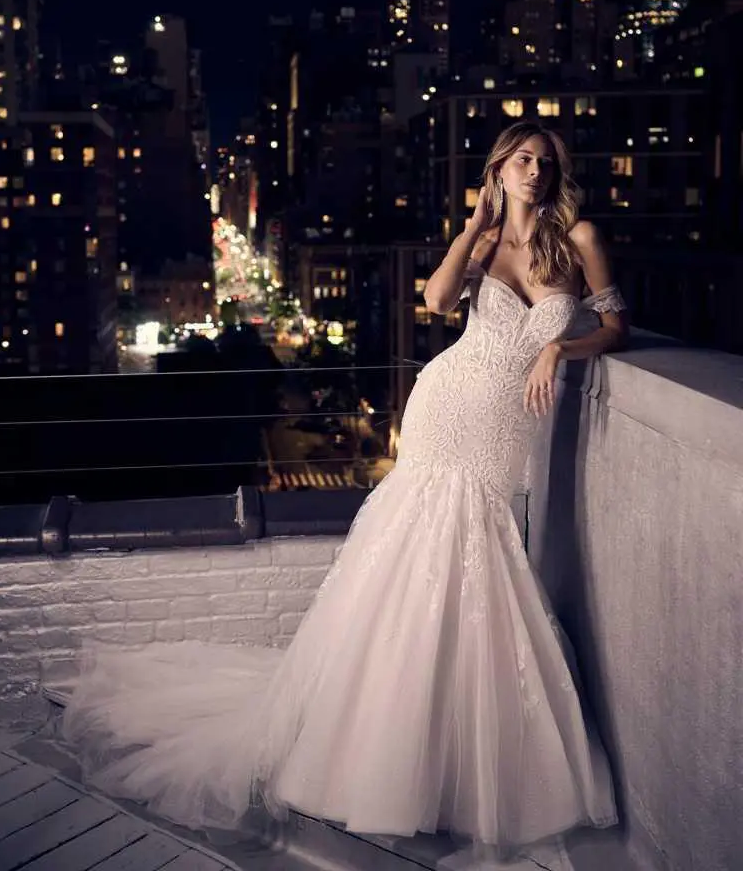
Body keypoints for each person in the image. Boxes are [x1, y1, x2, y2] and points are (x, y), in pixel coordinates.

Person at [60, 121, 627, 864]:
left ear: (557, 172)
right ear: (497, 169)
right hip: (448, 403)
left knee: (482, 561)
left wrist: (559, 343)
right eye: (520, 158)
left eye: (543, 161)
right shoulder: (485, 241)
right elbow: (433, 300)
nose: (533, 169)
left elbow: (614, 328)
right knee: (416, 556)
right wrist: (473, 228)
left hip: (503, 428)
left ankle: (450, 751)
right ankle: (387, 749)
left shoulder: (577, 236)